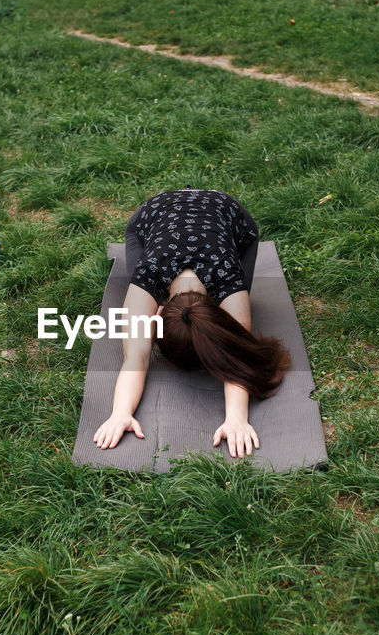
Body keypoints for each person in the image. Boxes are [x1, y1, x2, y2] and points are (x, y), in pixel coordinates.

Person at [93, 189, 290, 457]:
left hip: (228, 212)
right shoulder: (148, 274)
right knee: (133, 295)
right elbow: (135, 359)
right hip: (155, 211)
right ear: (157, 315)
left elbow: (236, 354)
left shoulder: (228, 280)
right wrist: (120, 413)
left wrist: (237, 419)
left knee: (245, 289)